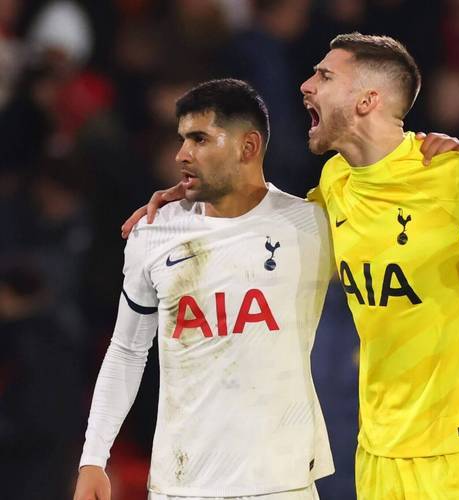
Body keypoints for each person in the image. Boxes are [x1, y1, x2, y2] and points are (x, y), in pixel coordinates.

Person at [122, 34, 459, 499]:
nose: (306, 85)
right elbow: (268, 225)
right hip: (376, 455)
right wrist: (200, 199)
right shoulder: (336, 182)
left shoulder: (457, 175)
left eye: (325, 76)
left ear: (367, 100)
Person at [74, 79, 334, 500]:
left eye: (199, 139)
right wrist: (93, 458)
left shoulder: (312, 225)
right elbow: (126, 350)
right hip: (181, 483)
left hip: (282, 481)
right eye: (182, 139)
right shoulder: (153, 232)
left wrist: (433, 152)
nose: (181, 154)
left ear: (248, 147)